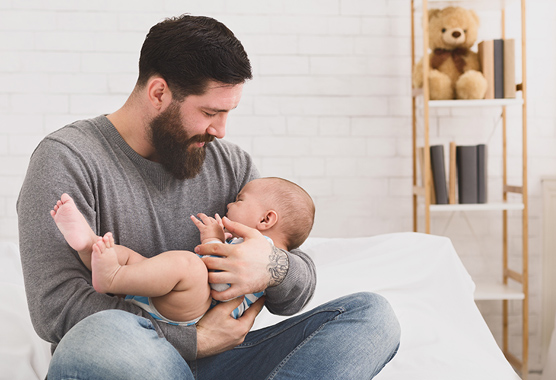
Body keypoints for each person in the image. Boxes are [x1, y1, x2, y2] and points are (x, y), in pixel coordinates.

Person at [17, 14, 400, 379]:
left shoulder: (230, 163)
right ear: (159, 92)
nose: (220, 129)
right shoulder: (67, 158)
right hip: (127, 361)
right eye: (209, 112)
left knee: (371, 316)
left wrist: (272, 265)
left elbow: (295, 290)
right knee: (107, 332)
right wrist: (194, 341)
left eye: (228, 112)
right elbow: (55, 308)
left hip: (225, 362)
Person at [49, 177, 315, 325]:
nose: (230, 205)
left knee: (188, 265)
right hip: (176, 303)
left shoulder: (262, 252)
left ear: (266, 220)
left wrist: (213, 241)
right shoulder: (239, 241)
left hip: (201, 313)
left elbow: (222, 289)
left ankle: (112, 278)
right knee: (133, 259)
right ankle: (88, 245)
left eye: (239, 200)